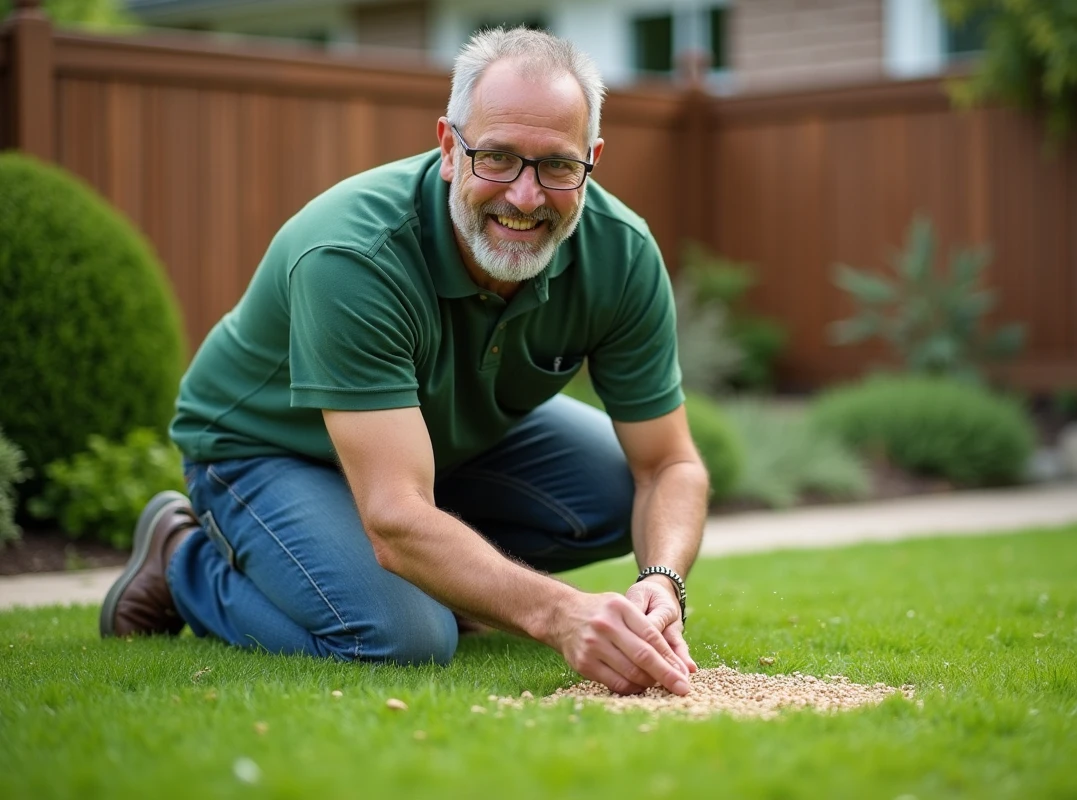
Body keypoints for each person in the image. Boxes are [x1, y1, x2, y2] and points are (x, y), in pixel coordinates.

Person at [99, 27, 707, 697]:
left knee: (615, 492)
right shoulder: (353, 255)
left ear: (591, 160)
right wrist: (555, 612)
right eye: (497, 157)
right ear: (450, 148)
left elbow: (669, 464)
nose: (527, 197)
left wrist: (662, 581)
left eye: (557, 166)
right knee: (402, 638)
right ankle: (183, 561)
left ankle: (445, 580)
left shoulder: (621, 253)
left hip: (430, 446)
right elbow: (394, 515)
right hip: (266, 449)